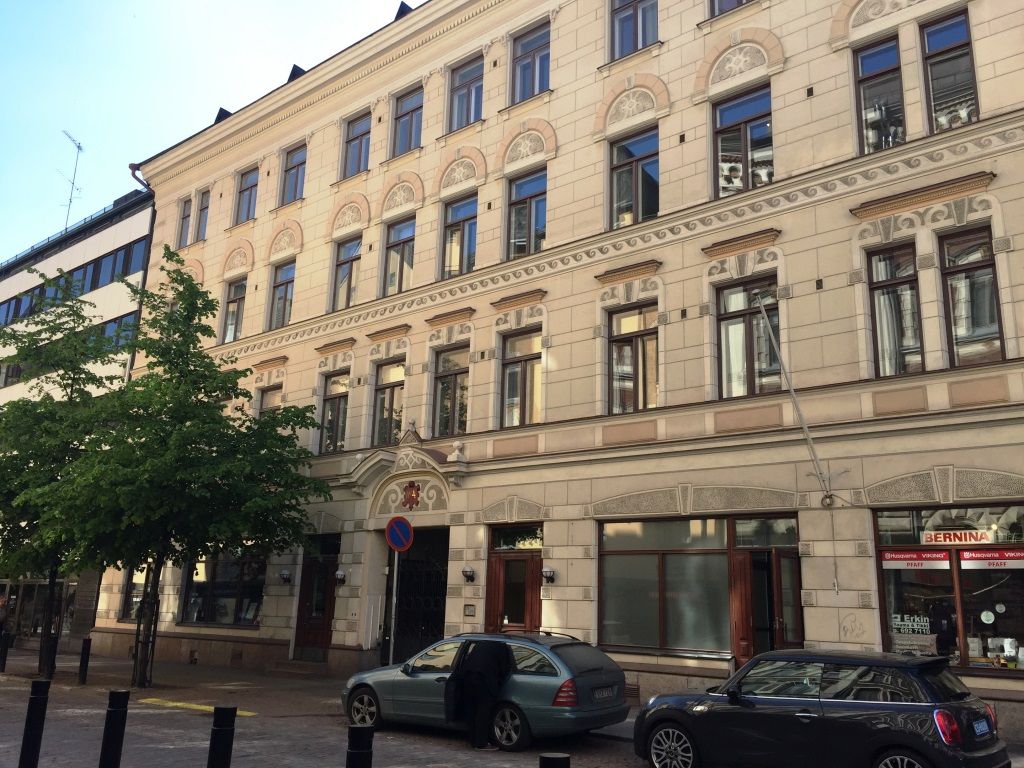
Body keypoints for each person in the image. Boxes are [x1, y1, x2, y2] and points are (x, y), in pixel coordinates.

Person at [449, 640, 512, 750]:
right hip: (484, 680)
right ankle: (481, 743)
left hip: (468, 677)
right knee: (483, 711)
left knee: (471, 709)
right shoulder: (502, 646)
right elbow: (505, 669)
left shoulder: (480, 644)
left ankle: (473, 740)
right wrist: (498, 683)